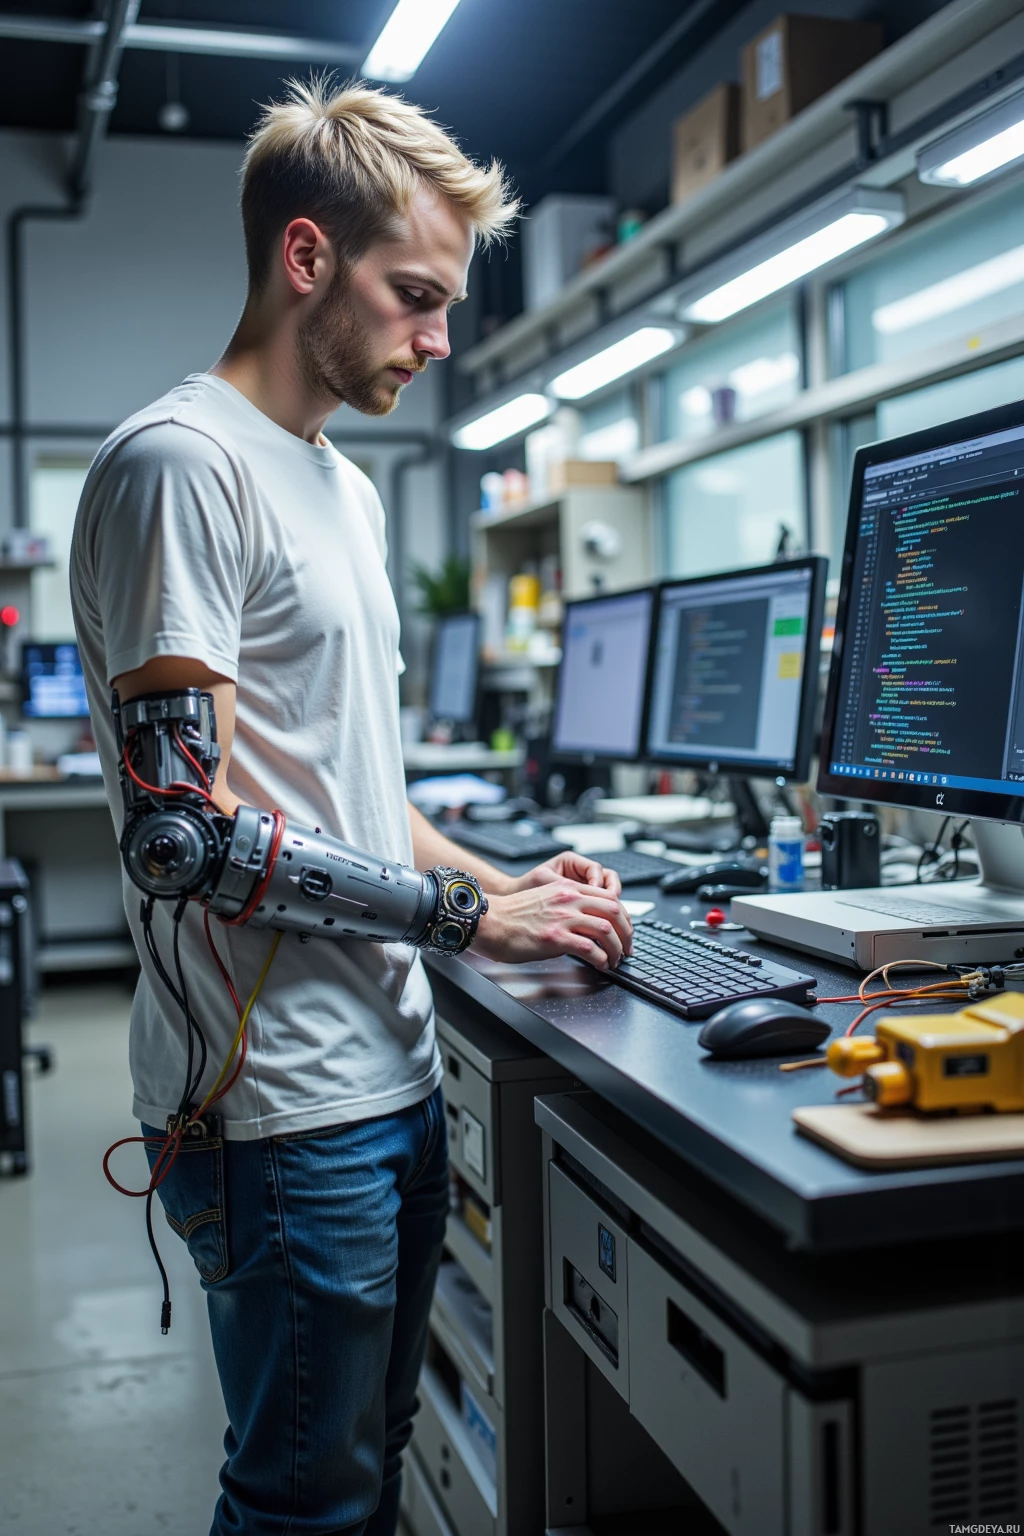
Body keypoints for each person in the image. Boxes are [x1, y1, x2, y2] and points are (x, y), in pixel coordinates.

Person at [70, 78, 632, 1536]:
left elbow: (354, 788)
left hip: (388, 1073)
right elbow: (187, 837)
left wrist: (513, 889)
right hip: (275, 1112)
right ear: (306, 258)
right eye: (416, 296)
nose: (441, 340)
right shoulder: (179, 468)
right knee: (300, 1507)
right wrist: (466, 917)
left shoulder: (343, 487)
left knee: (363, 1478)